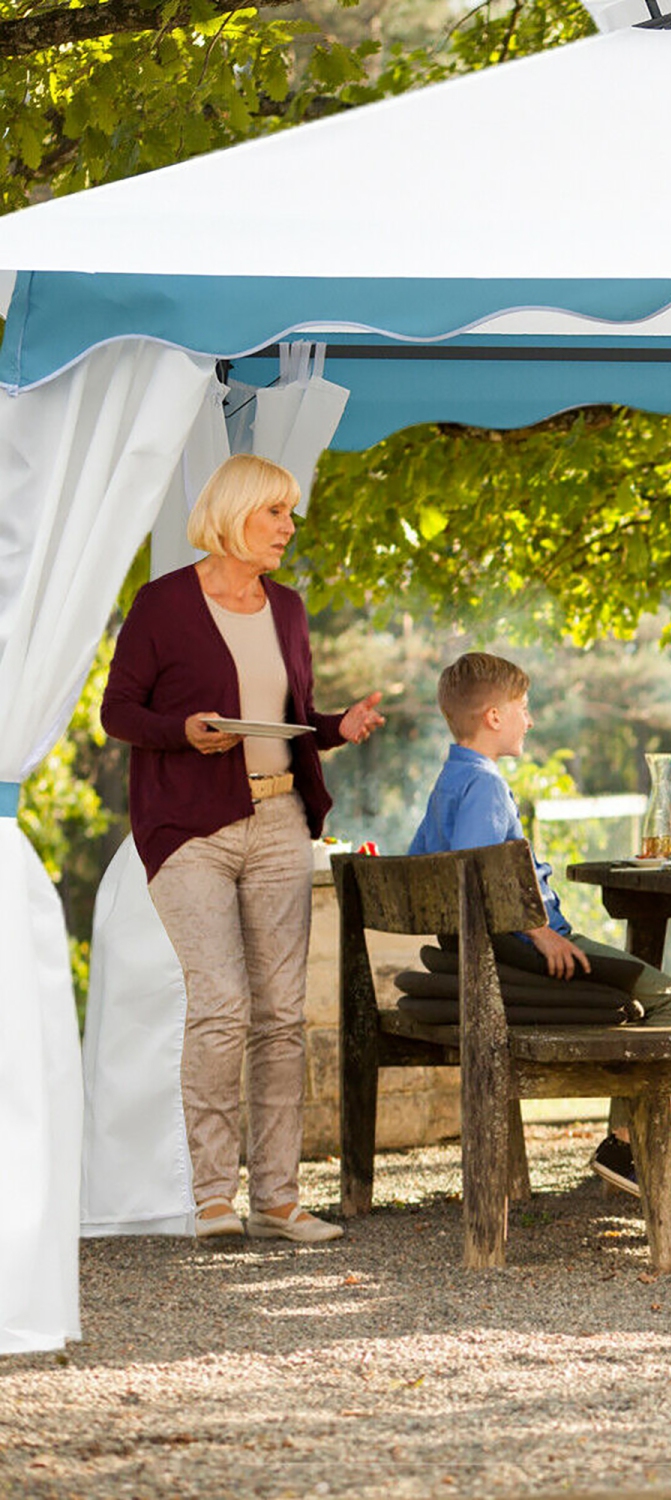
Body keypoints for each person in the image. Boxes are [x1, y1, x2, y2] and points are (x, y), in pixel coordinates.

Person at [101, 454, 386, 1243]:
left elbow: (291, 718)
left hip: (280, 821)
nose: (289, 527)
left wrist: (338, 727)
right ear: (234, 514)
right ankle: (212, 1199)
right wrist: (181, 732)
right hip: (189, 829)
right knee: (222, 1003)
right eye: (276, 512)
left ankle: (278, 1201)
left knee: (281, 1015)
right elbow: (117, 712)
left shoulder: (287, 608)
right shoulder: (162, 604)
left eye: (290, 513)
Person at [409, 651, 671, 1199]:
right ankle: (624, 1146)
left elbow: (423, 868)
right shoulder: (485, 784)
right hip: (527, 952)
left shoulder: (449, 782)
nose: (530, 719)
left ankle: (626, 1144)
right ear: (494, 716)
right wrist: (540, 931)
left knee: (652, 1000)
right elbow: (477, 873)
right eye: (523, 707)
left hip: (495, 953)